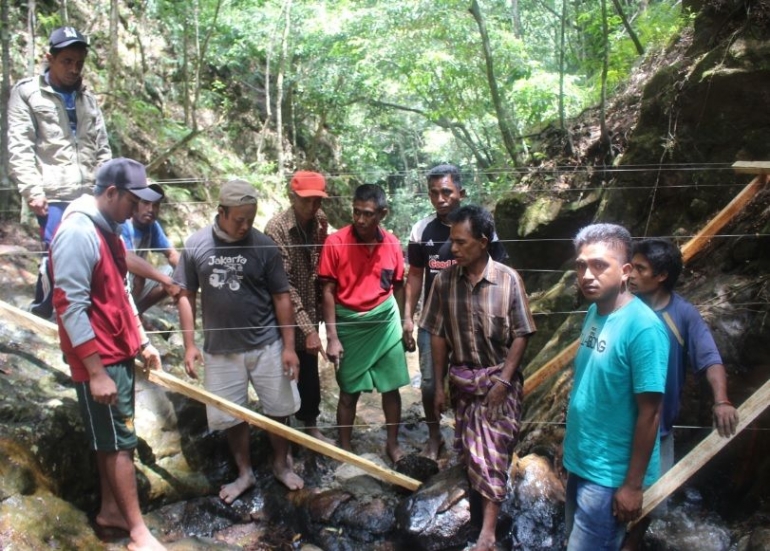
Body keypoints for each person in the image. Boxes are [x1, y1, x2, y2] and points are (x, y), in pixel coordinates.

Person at [49, 158, 165, 551]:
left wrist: (142, 342)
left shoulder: (111, 230)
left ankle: (111, 513)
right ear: (111, 192)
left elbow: (121, 291)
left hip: (118, 352)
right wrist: (95, 370)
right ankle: (137, 531)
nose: (138, 210)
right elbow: (69, 305)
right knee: (121, 444)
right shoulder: (78, 233)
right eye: (133, 201)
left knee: (110, 439)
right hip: (98, 358)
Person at [174, 179, 303, 501]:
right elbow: (185, 295)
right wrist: (189, 345)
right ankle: (244, 473)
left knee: (279, 407)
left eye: (251, 218)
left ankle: (280, 465)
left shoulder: (263, 246)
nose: (245, 225)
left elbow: (282, 297)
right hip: (220, 351)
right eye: (239, 219)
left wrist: (289, 348)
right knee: (232, 415)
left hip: (267, 345)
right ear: (221, 212)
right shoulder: (196, 245)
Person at [420, 205, 536, 551]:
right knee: (472, 450)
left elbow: (522, 333)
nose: (452, 249)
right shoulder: (443, 282)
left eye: (460, 242)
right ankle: (476, 512)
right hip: (463, 381)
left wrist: (503, 382)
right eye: (451, 241)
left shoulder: (508, 279)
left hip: (501, 380)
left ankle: (487, 531)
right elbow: (438, 335)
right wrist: (439, 384)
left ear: (483, 242)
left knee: (495, 449)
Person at [622, 237, 739, 550]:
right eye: (631, 266)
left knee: (647, 504)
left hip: (658, 431)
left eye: (639, 268)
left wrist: (722, 401)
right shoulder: (620, 307)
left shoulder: (683, 315)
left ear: (661, 276)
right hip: (617, 429)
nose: (630, 274)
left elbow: (710, 360)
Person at [564, 223, 669, 551]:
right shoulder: (595, 312)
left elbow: (650, 414)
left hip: (611, 476)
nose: (587, 275)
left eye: (599, 265)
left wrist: (633, 486)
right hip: (581, 460)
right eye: (581, 265)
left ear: (625, 271)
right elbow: (587, 387)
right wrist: (569, 448)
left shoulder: (643, 329)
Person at [402, 163, 508, 460]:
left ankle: (472, 437)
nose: (440, 199)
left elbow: (500, 270)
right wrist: (408, 317)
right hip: (433, 321)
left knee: (473, 379)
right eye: (434, 193)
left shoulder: (480, 226)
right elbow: (415, 275)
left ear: (461, 192)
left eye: (446, 191)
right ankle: (435, 437)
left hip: (473, 319)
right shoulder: (422, 230)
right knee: (429, 383)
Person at [8, 26, 111, 318]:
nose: (74, 69)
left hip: (90, 194)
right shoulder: (28, 93)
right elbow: (20, 145)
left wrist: (106, 190)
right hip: (52, 193)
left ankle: (83, 318)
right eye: (67, 61)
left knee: (92, 256)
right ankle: (45, 312)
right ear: (49, 58)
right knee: (56, 257)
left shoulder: (88, 99)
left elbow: (102, 147)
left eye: (79, 63)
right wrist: (32, 190)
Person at [318, 183, 410, 463]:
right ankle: (344, 447)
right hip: (350, 325)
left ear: (383, 213)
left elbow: (398, 286)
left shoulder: (392, 243)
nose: (360, 219)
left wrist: (407, 321)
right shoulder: (335, 243)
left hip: (385, 321)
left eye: (368, 214)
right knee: (348, 390)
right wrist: (332, 336)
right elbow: (328, 292)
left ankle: (392, 444)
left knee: (391, 388)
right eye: (356, 212)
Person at [264, 171, 331, 442]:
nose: (313, 206)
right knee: (285, 369)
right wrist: (307, 329)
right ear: (292, 197)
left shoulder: (321, 221)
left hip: (311, 307)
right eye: (307, 200)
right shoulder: (276, 228)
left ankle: (310, 425)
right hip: (283, 312)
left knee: (310, 369)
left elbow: (322, 262)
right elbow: (283, 285)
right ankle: (283, 432)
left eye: (318, 200)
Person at [120, 182, 181, 315]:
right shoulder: (123, 223)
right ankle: (127, 314)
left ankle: (136, 312)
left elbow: (171, 254)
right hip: (118, 281)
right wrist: (164, 280)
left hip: (134, 282)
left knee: (175, 273)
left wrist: (191, 273)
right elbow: (127, 259)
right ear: (135, 203)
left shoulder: (152, 226)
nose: (151, 209)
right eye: (146, 203)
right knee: (140, 277)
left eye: (156, 205)